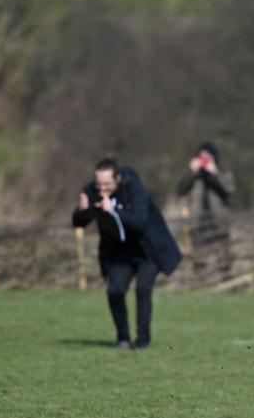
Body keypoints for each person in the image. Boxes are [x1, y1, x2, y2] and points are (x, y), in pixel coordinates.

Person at [72, 158, 182, 349]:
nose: (102, 189)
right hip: (120, 251)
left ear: (118, 179)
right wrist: (82, 211)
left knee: (143, 289)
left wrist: (114, 210)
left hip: (147, 250)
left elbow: (139, 221)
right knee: (115, 291)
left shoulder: (135, 189)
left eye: (107, 184)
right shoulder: (94, 190)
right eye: (99, 184)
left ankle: (142, 340)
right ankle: (122, 338)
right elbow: (79, 222)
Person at [174, 141, 235, 272]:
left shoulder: (222, 171)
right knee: (199, 254)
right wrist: (191, 172)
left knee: (223, 255)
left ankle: (224, 276)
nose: (204, 161)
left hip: (219, 220)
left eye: (207, 157)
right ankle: (200, 278)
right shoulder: (194, 175)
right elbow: (180, 189)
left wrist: (214, 173)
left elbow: (229, 190)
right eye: (201, 157)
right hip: (198, 219)